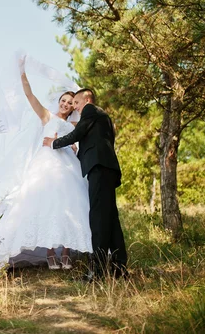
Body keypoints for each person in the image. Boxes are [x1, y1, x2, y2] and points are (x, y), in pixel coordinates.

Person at [0, 71, 92, 269]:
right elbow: (30, 96)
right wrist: (23, 75)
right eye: (63, 100)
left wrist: (73, 145)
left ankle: (67, 253)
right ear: (59, 101)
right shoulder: (47, 116)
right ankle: (51, 253)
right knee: (47, 202)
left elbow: (83, 128)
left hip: (68, 165)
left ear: (73, 106)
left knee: (71, 203)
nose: (66, 104)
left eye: (70, 102)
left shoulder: (74, 124)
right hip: (47, 162)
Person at [43, 88, 128, 279]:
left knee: (97, 219)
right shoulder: (104, 117)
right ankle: (119, 269)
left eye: (76, 103)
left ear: (86, 100)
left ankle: (96, 272)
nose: (75, 108)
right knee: (111, 220)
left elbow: (79, 133)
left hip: (98, 169)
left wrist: (54, 143)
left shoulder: (90, 111)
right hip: (108, 170)